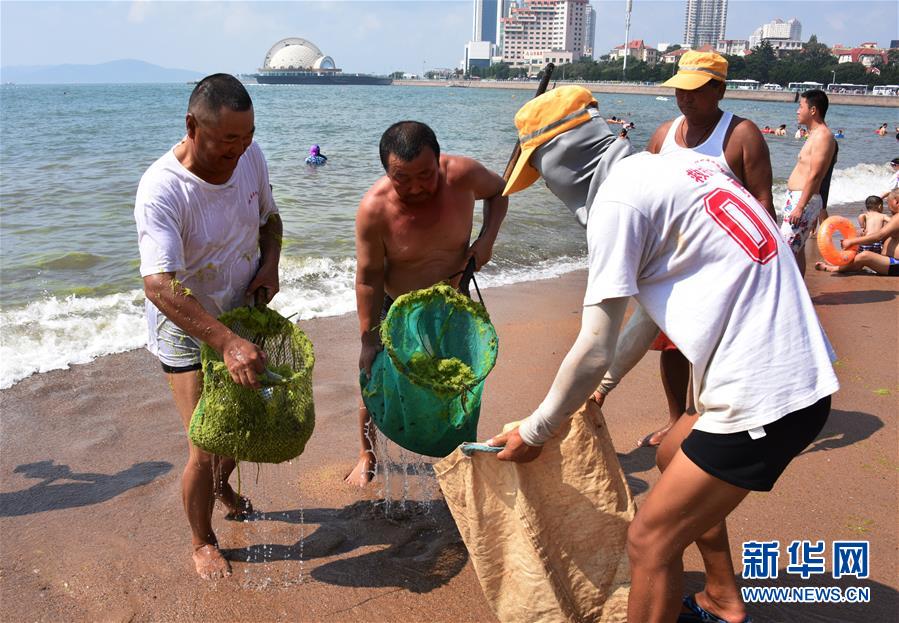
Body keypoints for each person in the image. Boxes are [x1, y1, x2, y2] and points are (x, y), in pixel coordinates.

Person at [490, 85, 837, 623]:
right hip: (799, 374)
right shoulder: (683, 168)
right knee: (673, 453)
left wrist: (537, 430)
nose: (551, 189)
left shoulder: (618, 202)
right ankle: (721, 598)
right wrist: (603, 389)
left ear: (563, 159)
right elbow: (650, 317)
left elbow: (594, 344)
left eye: (543, 172)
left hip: (767, 396)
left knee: (648, 541)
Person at [134, 73, 282, 580]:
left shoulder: (251, 156)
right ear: (192, 127)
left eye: (247, 137)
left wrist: (271, 265)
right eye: (227, 141)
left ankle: (222, 487)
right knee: (206, 439)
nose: (239, 152)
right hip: (186, 323)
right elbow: (159, 285)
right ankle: (202, 540)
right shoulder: (162, 189)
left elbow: (270, 221)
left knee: (241, 425)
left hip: (242, 310)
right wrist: (224, 342)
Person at [597, 51, 775, 448]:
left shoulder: (741, 135)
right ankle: (676, 418)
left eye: (694, 90)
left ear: (719, 89)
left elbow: (763, 207)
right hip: (671, 263)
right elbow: (643, 197)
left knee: (708, 349)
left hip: (724, 269)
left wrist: (766, 275)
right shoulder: (664, 135)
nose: (685, 98)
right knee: (671, 344)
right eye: (680, 89)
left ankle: (706, 423)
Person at [348, 120, 509, 486]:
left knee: (459, 380)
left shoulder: (463, 175)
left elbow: (500, 192)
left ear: (439, 161)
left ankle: (458, 452)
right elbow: (368, 278)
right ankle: (366, 452)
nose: (416, 187)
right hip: (396, 308)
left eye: (425, 175)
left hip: (453, 303)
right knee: (375, 378)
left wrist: (486, 240)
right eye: (402, 178)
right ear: (387, 172)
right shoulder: (374, 210)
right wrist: (368, 338)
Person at [781, 89, 838, 277]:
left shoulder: (823, 136)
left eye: (801, 106)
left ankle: (787, 296)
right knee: (796, 251)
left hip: (803, 200)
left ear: (813, 110)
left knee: (784, 251)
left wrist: (800, 206)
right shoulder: (814, 134)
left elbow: (815, 175)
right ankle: (799, 295)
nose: (797, 110)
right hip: (799, 198)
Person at [817, 189, 899, 276]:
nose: (887, 206)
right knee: (860, 254)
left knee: (864, 256)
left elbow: (879, 236)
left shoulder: (897, 218)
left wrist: (852, 241)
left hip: (896, 264)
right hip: (890, 261)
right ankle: (840, 265)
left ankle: (834, 268)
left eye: (888, 202)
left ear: (896, 202)